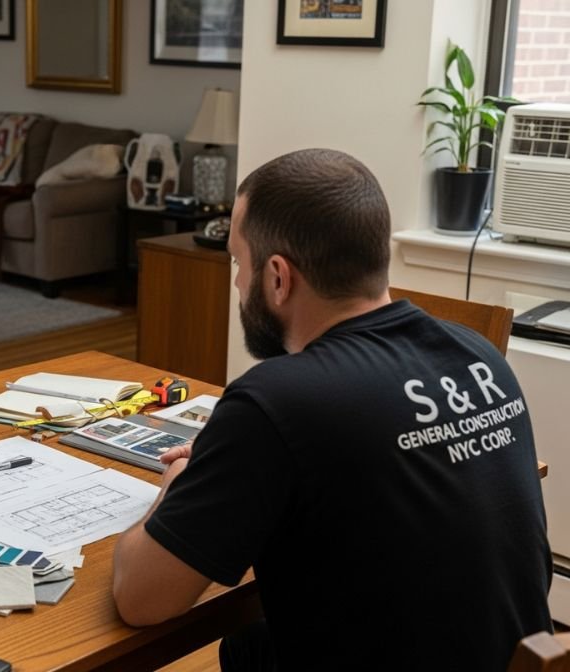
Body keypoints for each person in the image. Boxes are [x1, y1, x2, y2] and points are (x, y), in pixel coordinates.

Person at [112, 148, 552, 671]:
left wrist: (182, 479)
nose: (236, 283)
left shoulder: (276, 400)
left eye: (237, 262)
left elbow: (140, 599)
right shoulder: (478, 356)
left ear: (278, 276)